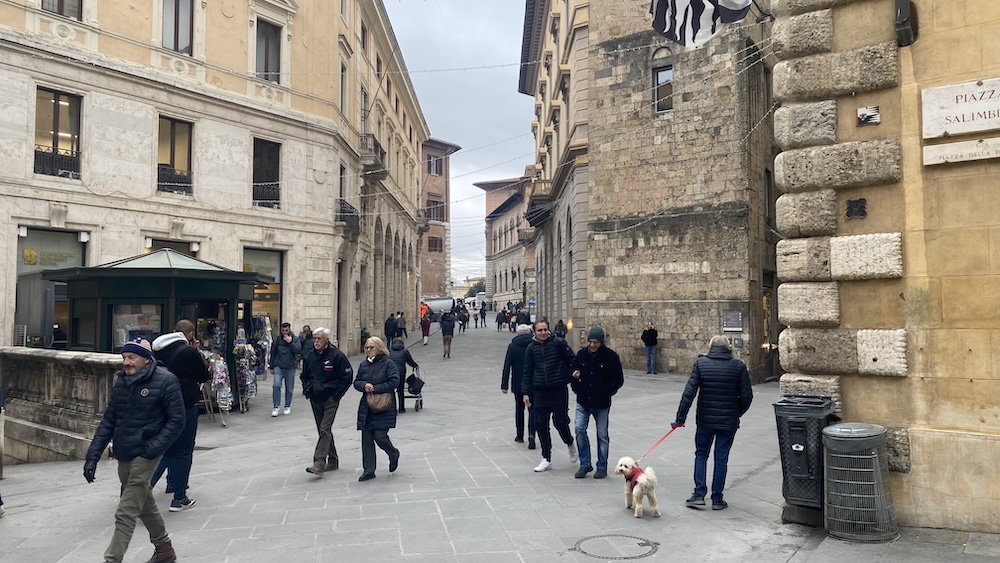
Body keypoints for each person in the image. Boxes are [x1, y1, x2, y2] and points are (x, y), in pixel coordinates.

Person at [83, 338, 185, 563]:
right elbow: (109, 420)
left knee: (126, 511)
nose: (126, 362)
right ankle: (164, 548)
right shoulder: (122, 382)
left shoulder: (166, 381)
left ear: (146, 359)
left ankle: (112, 559)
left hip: (146, 452)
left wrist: (154, 448)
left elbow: (177, 421)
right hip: (124, 452)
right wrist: (92, 456)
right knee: (143, 501)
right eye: (124, 357)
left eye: (131, 357)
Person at [672, 335, 753, 510]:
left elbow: (689, 392)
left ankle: (699, 494)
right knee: (721, 458)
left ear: (710, 347)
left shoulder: (701, 364)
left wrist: (680, 418)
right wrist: (736, 412)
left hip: (705, 420)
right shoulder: (738, 366)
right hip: (728, 422)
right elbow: (747, 396)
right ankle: (717, 499)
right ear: (728, 348)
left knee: (701, 454)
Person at [150, 320, 211, 512]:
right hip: (185, 403)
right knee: (184, 450)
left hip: (162, 405)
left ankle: (145, 487)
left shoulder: (157, 349)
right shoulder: (189, 352)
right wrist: (197, 352)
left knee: (166, 449)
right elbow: (204, 376)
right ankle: (180, 497)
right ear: (190, 333)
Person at [522, 319, 577, 472]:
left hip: (558, 389)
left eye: (545, 329)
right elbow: (527, 371)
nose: (543, 333)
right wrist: (525, 392)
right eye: (539, 330)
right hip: (539, 391)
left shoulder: (558, 343)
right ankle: (546, 458)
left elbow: (571, 359)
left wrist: (573, 374)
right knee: (541, 425)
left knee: (560, 422)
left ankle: (570, 442)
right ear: (534, 332)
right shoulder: (531, 349)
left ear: (549, 330)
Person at [569, 327, 624, 479]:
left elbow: (618, 379)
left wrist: (607, 391)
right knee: (579, 429)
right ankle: (585, 463)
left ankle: (602, 466)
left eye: (596, 342)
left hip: (601, 403)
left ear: (601, 342)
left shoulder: (610, 357)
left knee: (602, 435)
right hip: (583, 401)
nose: (592, 345)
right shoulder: (582, 355)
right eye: (590, 342)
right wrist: (576, 384)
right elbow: (573, 371)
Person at [300, 327, 354, 476]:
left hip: (330, 398)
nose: (316, 341)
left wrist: (336, 396)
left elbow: (347, 377)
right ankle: (333, 460)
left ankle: (319, 463)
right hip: (315, 397)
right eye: (314, 338)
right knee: (323, 430)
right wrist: (307, 389)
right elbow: (304, 375)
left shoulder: (336, 355)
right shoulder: (310, 356)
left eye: (319, 339)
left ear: (327, 340)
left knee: (324, 429)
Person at [353, 337, 401, 481]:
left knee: (380, 436)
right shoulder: (363, 365)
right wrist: (363, 386)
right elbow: (356, 381)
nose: (368, 350)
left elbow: (394, 381)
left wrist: (376, 388)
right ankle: (369, 470)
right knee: (367, 438)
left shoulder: (388, 363)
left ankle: (393, 453)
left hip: (384, 406)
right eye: (367, 347)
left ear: (379, 348)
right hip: (367, 406)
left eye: (371, 347)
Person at [501, 324, 536, 449]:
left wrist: (504, 384)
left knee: (519, 409)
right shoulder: (534, 345)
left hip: (518, 383)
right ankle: (532, 435)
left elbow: (507, 366)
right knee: (532, 410)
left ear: (518, 334)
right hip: (533, 382)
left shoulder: (513, 346)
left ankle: (520, 435)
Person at [269, 322, 302, 417]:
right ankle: (276, 406)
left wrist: (290, 342)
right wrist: (272, 366)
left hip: (290, 367)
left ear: (290, 330)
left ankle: (287, 405)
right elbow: (273, 353)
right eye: (283, 330)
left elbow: (298, 350)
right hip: (279, 366)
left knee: (289, 388)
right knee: (276, 385)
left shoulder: (295, 339)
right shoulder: (277, 340)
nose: (284, 332)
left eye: (286, 330)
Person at [388, 336, 418, 413]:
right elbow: (410, 361)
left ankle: (393, 408)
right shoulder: (405, 351)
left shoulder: (389, 351)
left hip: (390, 372)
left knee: (391, 390)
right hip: (400, 372)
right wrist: (415, 365)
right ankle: (401, 408)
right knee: (400, 390)